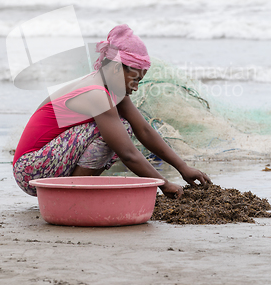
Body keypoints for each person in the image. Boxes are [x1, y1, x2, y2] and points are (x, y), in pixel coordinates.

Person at [13, 24, 211, 198]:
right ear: (116, 69)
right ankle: (73, 194)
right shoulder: (97, 94)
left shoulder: (109, 88)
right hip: (31, 168)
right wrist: (163, 184)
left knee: (122, 127)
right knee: (116, 131)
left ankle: (73, 191)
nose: (135, 87)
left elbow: (144, 130)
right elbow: (127, 153)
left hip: (47, 161)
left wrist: (183, 168)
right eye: (134, 79)